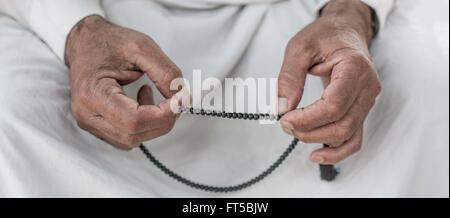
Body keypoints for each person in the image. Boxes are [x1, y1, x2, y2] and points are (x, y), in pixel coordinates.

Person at [0, 0, 398, 196]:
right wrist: (77, 31)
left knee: (416, 102)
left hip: (299, 11)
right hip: (88, 13)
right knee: (15, 111)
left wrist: (349, 15)